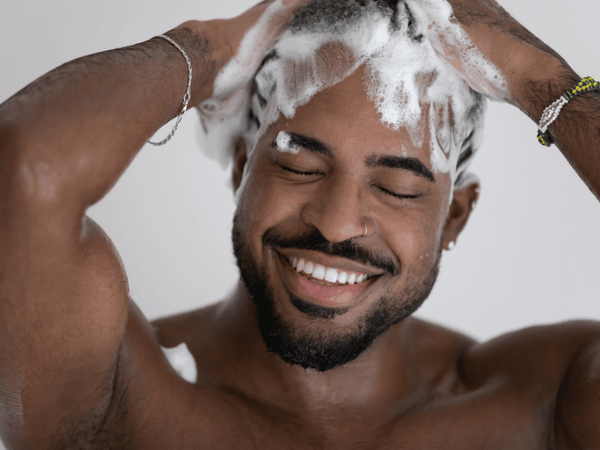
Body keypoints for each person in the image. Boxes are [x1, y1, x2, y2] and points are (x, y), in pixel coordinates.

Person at [0, 0, 599, 449]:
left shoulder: (544, 405)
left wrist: (545, 83)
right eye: (300, 165)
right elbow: (23, 170)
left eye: (397, 187)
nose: (337, 225)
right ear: (242, 170)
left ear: (456, 217)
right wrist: (204, 50)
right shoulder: (115, 394)